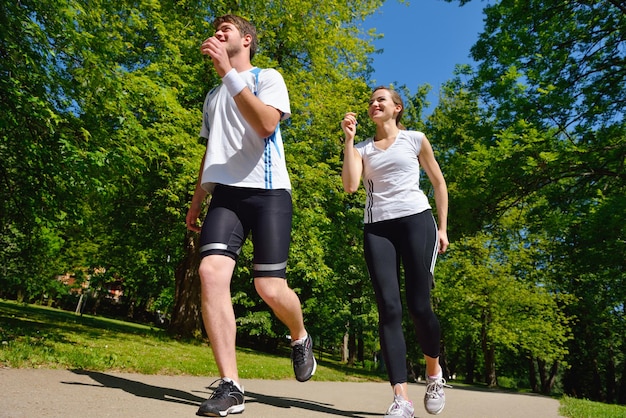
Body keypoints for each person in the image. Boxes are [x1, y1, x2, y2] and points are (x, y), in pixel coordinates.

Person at [186, 14, 316, 417]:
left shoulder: (267, 77)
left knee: (269, 289)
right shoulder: (212, 96)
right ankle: (231, 386)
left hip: (269, 192)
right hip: (225, 196)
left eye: (226, 29)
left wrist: (229, 74)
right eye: (215, 29)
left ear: (245, 40)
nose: (217, 32)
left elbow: (265, 125)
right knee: (210, 273)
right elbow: (211, 153)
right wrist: (196, 201)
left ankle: (300, 335)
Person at [341, 86, 450, 417]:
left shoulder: (415, 139)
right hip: (378, 228)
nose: (374, 104)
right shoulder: (362, 148)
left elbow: (438, 183)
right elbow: (350, 186)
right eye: (372, 101)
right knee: (389, 309)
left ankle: (434, 373)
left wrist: (443, 228)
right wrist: (348, 141)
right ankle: (401, 398)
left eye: (381, 100)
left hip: (417, 221)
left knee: (419, 306)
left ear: (397, 108)